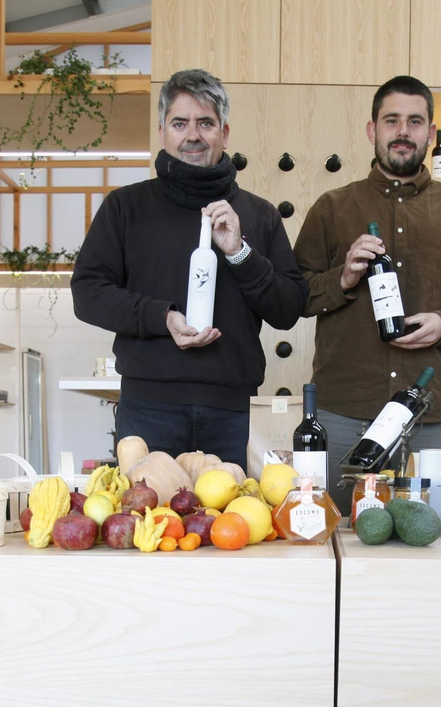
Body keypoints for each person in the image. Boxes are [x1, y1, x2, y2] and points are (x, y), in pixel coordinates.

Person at [71, 69, 307, 470]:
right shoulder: (125, 207)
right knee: (147, 513)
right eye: (180, 123)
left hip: (235, 413)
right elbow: (87, 293)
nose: (192, 135)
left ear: (225, 134)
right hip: (149, 408)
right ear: (162, 132)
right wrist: (161, 317)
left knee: (238, 513)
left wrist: (240, 253)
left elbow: (289, 308)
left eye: (206, 123)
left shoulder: (259, 214)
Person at [294, 75, 441, 506]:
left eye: (415, 121)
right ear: (372, 130)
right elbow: (296, 293)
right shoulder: (332, 208)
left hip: (433, 416)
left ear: (431, 133)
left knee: (432, 534)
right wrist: (342, 278)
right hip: (344, 415)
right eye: (392, 120)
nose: (403, 131)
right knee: (334, 533)